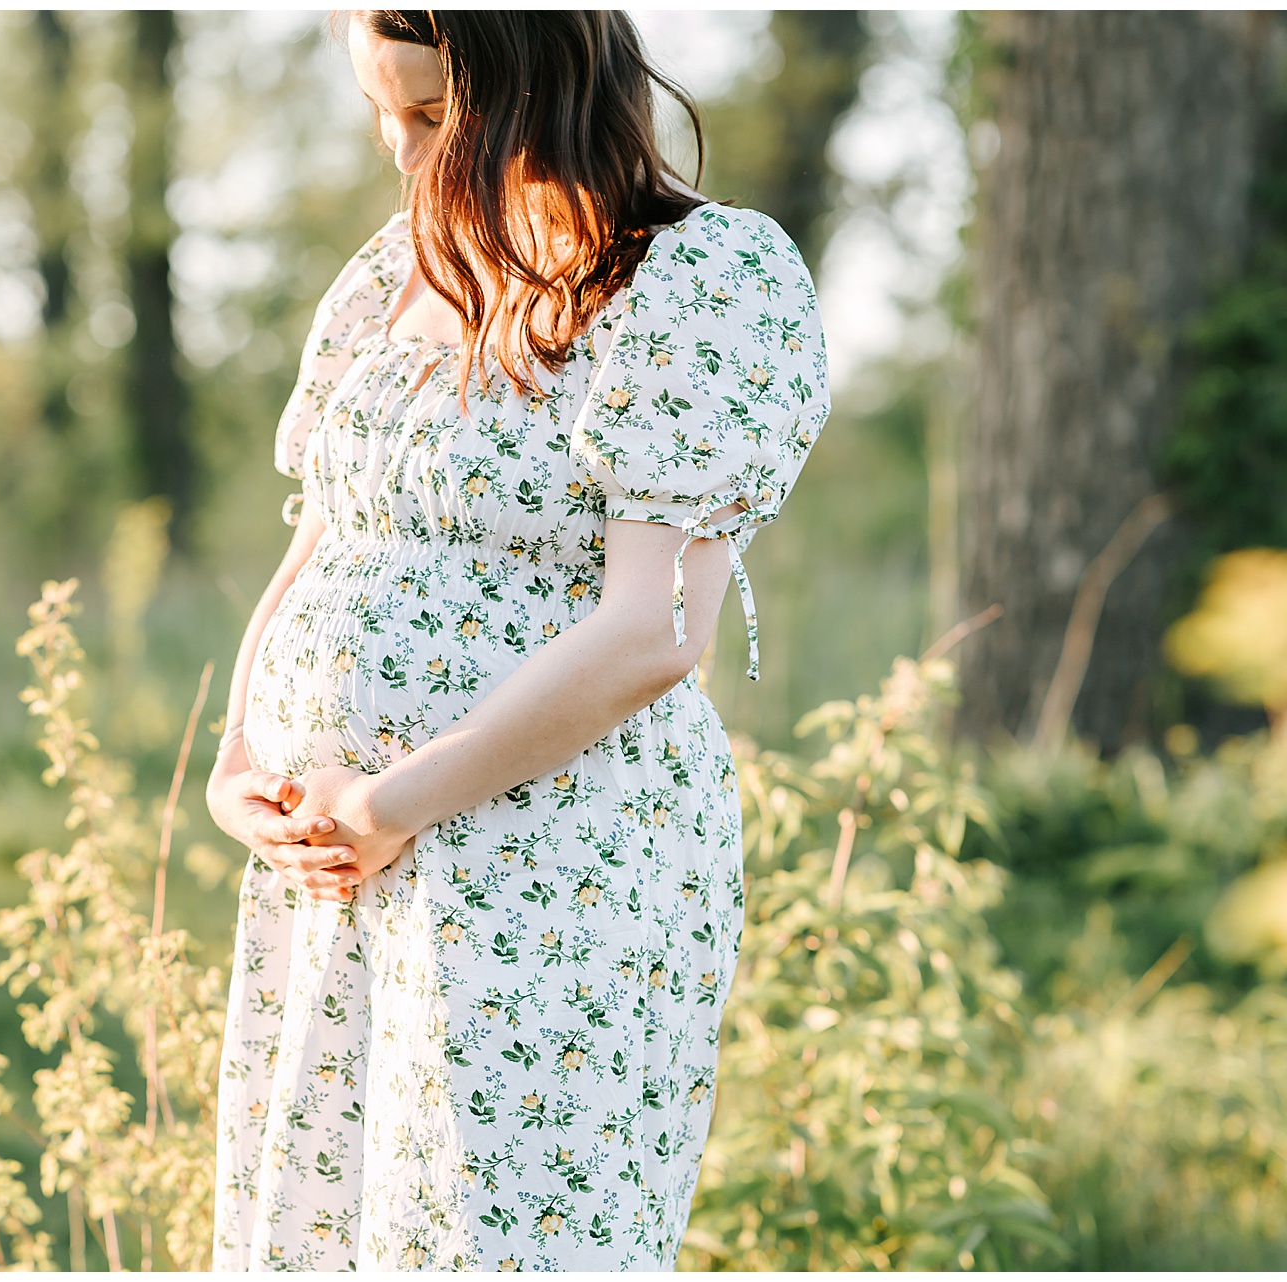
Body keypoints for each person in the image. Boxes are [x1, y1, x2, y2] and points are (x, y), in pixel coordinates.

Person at [203, 10, 829, 1271]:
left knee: (504, 1240)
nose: (399, 147)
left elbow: (653, 628)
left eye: (433, 114)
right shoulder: (393, 272)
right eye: (383, 108)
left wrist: (395, 799)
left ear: (538, 82)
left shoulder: (704, 275)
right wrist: (238, 768)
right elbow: (321, 539)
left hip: (546, 862)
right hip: (342, 868)